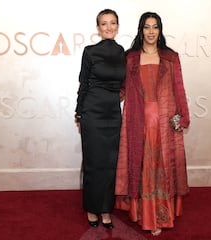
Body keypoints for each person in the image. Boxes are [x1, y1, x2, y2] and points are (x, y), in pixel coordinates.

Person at [115, 12, 190, 236]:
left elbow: (179, 88)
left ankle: (159, 214)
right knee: (142, 166)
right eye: (146, 27)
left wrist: (183, 116)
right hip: (138, 119)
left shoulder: (170, 57)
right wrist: (95, 104)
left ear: (160, 30)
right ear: (141, 30)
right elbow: (120, 89)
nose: (150, 31)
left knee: (161, 167)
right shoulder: (130, 58)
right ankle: (145, 214)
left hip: (164, 120)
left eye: (154, 27)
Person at [74, 9, 126, 229]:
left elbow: (126, 84)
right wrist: (79, 112)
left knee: (110, 163)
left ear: (117, 26)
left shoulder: (123, 52)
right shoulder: (90, 51)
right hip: (92, 112)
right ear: (98, 28)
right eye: (104, 24)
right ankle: (92, 209)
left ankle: (106, 209)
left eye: (112, 23)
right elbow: (83, 83)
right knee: (94, 163)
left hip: (113, 113)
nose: (108, 27)